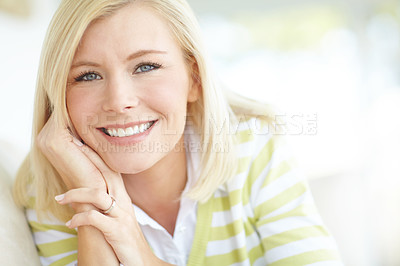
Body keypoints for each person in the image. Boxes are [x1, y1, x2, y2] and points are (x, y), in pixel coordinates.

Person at [13, 0, 343, 265]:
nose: (119, 101)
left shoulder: (252, 149)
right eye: (87, 76)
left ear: (194, 79)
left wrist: (139, 253)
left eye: (146, 67)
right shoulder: (49, 187)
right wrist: (93, 201)